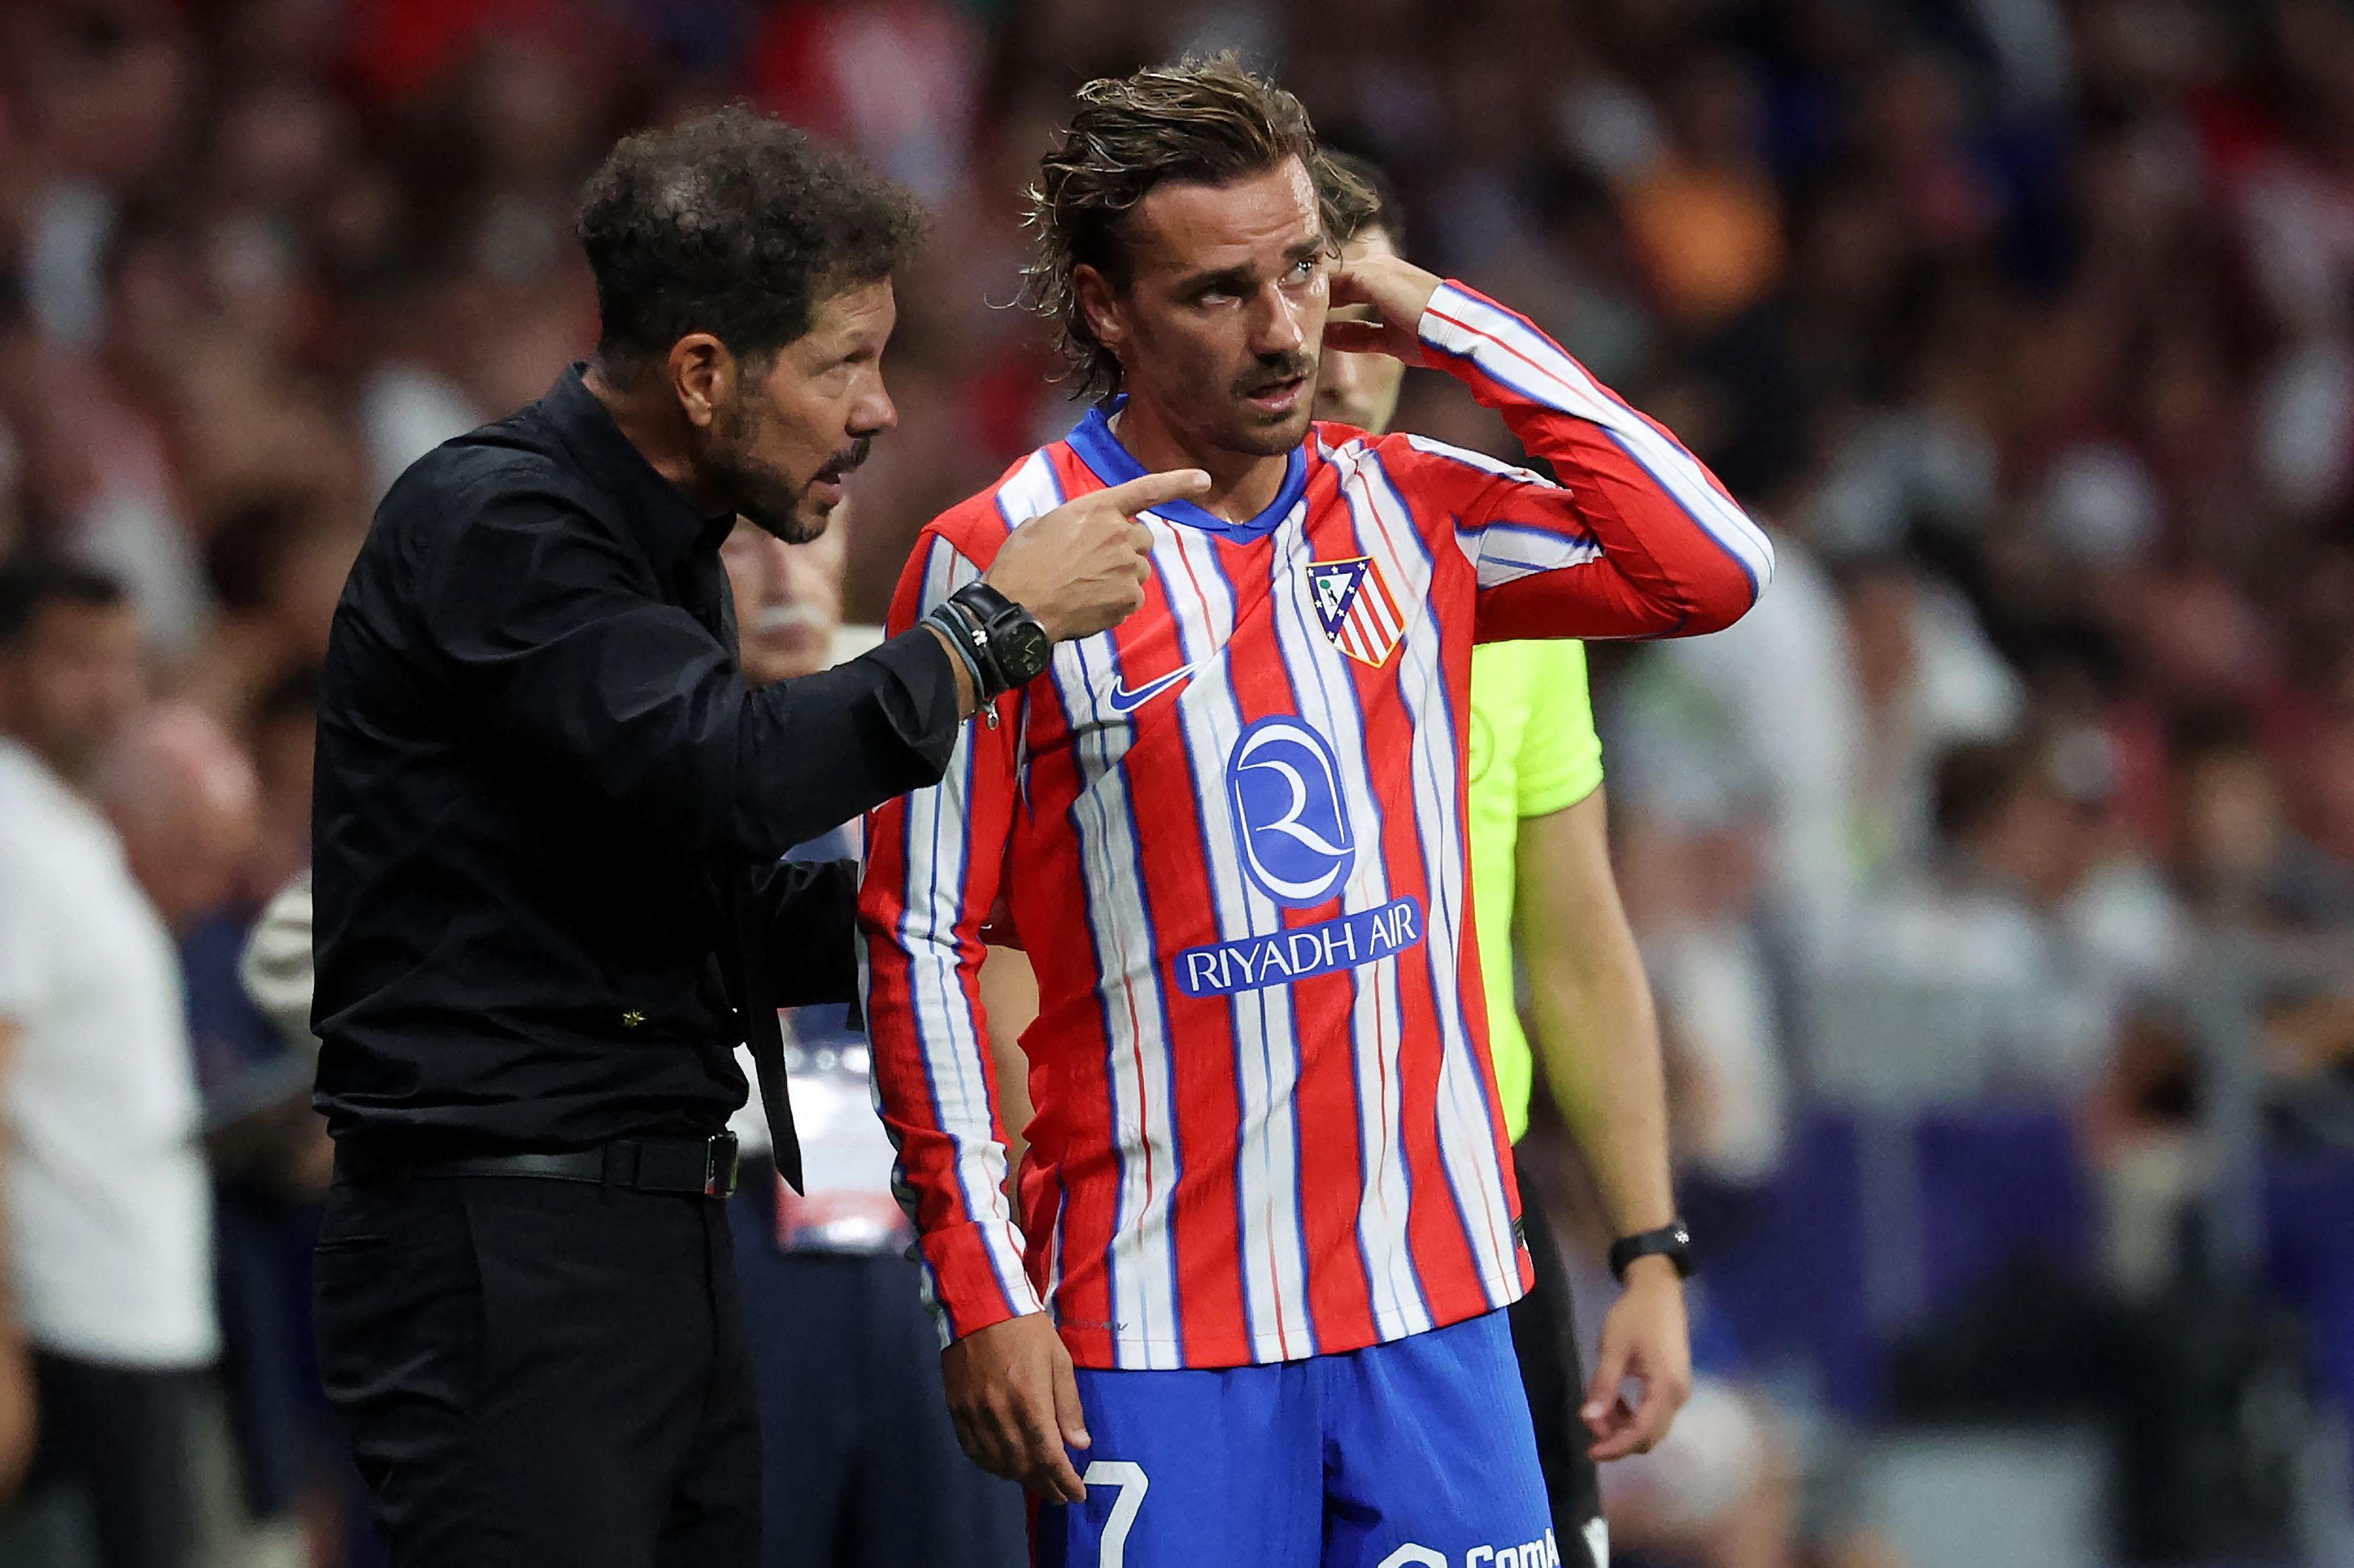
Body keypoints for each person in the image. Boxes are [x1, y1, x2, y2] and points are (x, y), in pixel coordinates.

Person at [859, 57, 1768, 1568]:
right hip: (1152, 1329)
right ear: (1104, 309)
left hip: (1443, 1309)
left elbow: (1707, 566)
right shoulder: (1005, 558)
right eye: (1218, 292)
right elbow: (916, 942)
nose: (1284, 331)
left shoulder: (1418, 511)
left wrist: (1438, 311)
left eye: (1301, 275)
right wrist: (979, 1289)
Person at [307, 107, 1197, 1568]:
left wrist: (989, 909)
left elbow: (697, 882)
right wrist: (990, 629)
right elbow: (721, 769)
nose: (882, 408)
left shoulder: (670, 569)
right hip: (504, 1249)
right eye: (846, 361)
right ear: (705, 373)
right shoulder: (499, 524)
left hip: (659, 1231)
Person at [1312, 152, 1687, 1568]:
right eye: (1308, 317)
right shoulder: (1118, 573)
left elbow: (1578, 945)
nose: (1342, 368)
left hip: (1478, 1215)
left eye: (1377, 326)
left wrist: (1650, 1249)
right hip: (1230, 1219)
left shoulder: (1498, 578)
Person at [717, 513, 1027, 1568]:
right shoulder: (628, 718)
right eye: (740, 547)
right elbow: (308, 938)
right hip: (727, 1230)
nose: (785, 578)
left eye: (807, 539)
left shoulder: (920, 690)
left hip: (922, 1230)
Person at [0, 559, 216, 1568]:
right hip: (66, 1326)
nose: (110, 690)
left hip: (129, 1314)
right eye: (76, 661)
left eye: (125, 661)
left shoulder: (63, 828)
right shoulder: (10, 833)